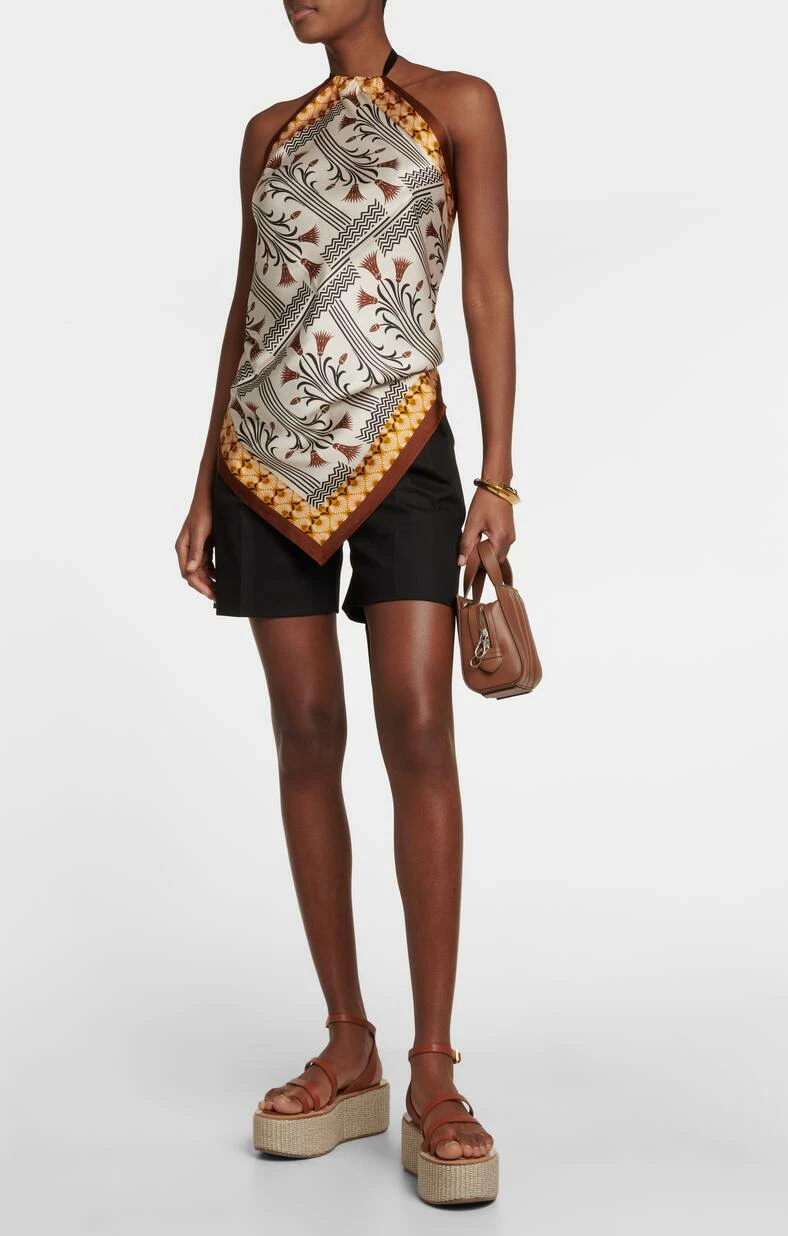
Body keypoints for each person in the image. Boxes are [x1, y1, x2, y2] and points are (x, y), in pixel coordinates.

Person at [175, 0, 517, 1207]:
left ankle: (434, 1071)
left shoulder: (458, 105)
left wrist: (497, 476)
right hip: (263, 455)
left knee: (417, 726)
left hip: (404, 447)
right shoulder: (266, 131)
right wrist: (201, 483)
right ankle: (349, 1044)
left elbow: (485, 290)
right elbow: (248, 306)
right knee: (306, 733)